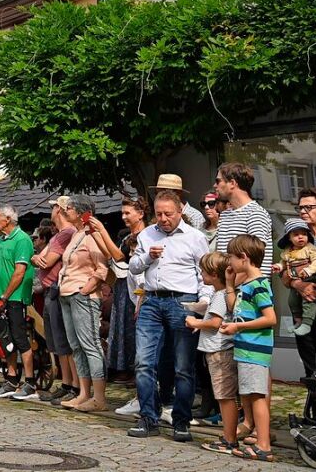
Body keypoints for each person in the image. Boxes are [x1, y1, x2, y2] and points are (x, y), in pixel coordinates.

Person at [127, 188, 211, 443]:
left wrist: (204, 302)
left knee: (183, 367)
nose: (163, 219)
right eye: (159, 214)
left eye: (168, 214)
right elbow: (132, 267)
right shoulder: (146, 234)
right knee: (143, 362)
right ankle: (148, 417)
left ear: (180, 212)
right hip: (152, 300)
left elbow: (204, 272)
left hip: (183, 301)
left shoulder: (195, 237)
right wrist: (146, 257)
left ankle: (181, 421)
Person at [221, 235, 277, 462]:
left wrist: (237, 327)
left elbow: (270, 318)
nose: (230, 263)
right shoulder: (246, 284)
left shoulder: (259, 285)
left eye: (232, 258)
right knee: (251, 395)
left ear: (243, 258)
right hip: (245, 349)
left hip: (255, 350)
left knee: (257, 397)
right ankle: (260, 441)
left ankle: (264, 445)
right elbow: (235, 308)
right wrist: (228, 284)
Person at [87, 196, 147, 389]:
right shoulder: (128, 237)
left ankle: (138, 376)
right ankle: (130, 373)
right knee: (126, 331)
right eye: (123, 213)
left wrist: (102, 230)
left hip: (140, 290)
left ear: (141, 213)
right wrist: (96, 234)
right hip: (127, 287)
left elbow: (119, 256)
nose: (123, 217)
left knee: (136, 334)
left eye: (127, 213)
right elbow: (113, 253)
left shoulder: (144, 235)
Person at [56, 195, 110, 411]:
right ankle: (84, 393)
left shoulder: (93, 235)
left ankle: (99, 397)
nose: (64, 210)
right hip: (68, 293)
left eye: (68, 208)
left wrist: (86, 288)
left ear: (81, 212)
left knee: (91, 344)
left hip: (83, 295)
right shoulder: (77, 234)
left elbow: (102, 267)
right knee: (76, 345)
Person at [189, 252, 238, 455]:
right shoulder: (222, 294)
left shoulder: (219, 296)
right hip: (219, 351)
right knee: (224, 396)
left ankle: (229, 439)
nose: (201, 275)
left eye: (204, 271)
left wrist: (196, 322)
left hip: (219, 352)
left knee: (224, 397)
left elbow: (215, 323)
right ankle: (229, 436)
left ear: (214, 275)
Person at [32, 196, 78, 405]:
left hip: (57, 290)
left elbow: (45, 260)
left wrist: (39, 258)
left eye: (54, 208)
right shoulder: (58, 235)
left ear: (59, 209)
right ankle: (67, 383)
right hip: (51, 290)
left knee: (64, 341)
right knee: (57, 342)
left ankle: (73, 386)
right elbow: (38, 258)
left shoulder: (66, 234)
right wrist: (37, 258)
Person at [0, 204, 37, 400]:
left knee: (19, 338)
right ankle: (11, 378)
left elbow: (19, 272)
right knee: (5, 338)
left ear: (7, 220)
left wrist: (5, 296)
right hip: (1, 297)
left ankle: (30, 381)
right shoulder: (1, 240)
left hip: (15, 297)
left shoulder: (22, 239)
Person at [214, 162, 272, 275]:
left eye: (218, 181)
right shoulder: (225, 215)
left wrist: (229, 286)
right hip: (227, 288)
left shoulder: (256, 213)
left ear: (232, 183)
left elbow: (253, 262)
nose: (215, 186)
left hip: (249, 290)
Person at [287, 188, 316, 376]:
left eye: (309, 207)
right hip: (304, 305)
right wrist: (297, 284)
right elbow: (284, 275)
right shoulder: (295, 239)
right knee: (311, 369)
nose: (304, 211)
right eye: (301, 207)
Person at [277, 218, 316, 336]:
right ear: (289, 238)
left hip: (309, 278)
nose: (300, 237)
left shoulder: (310, 248)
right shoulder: (288, 251)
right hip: (295, 281)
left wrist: (309, 270)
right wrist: (279, 267)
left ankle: (306, 323)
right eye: (296, 234)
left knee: (308, 301)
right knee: (292, 301)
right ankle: (298, 321)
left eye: (304, 234)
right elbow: (284, 264)